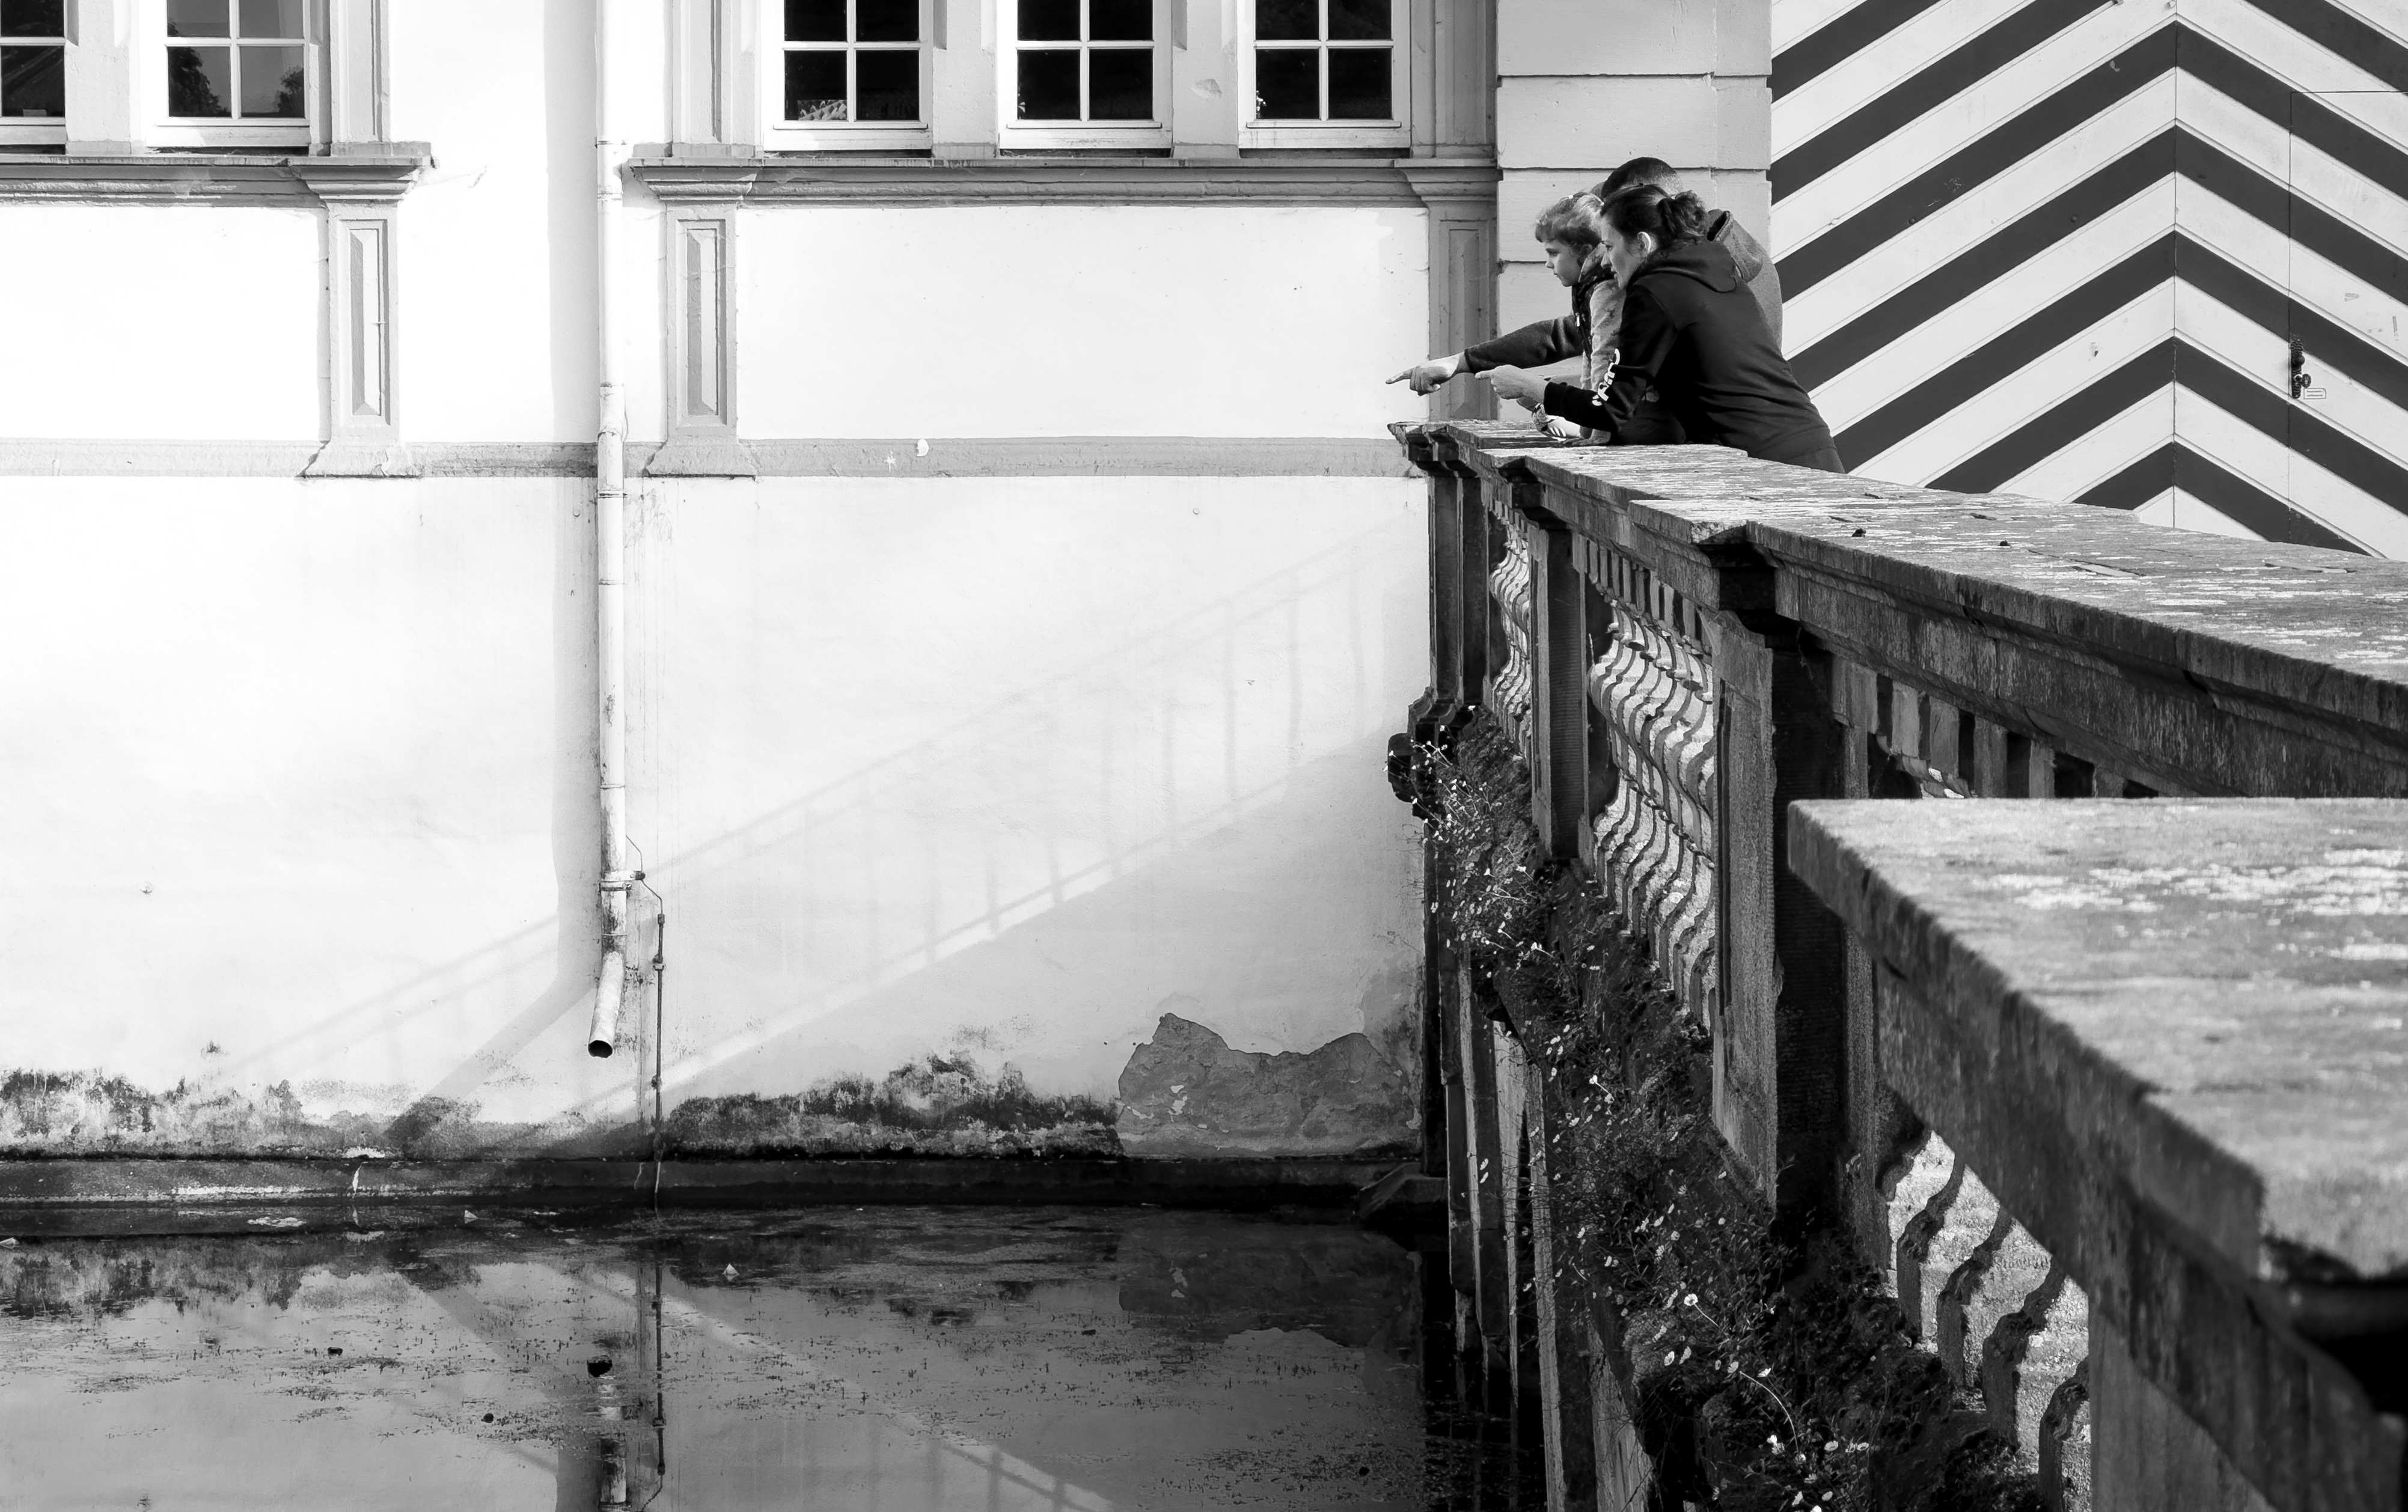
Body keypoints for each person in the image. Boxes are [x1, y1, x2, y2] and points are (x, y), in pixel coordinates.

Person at [1387, 157, 1783, 416]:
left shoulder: (1680, 280)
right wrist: (1463, 361)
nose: (1605, 257)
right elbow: (1581, 332)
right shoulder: (1706, 259)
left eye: (1611, 239)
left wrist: (1541, 393)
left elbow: (1616, 402)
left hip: (1728, 451)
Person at [1487, 184, 1842, 471]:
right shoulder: (1713, 269)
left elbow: (1611, 409)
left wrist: (1530, 386)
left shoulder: (1654, 292)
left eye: (1609, 246)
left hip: (1760, 461)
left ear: (1642, 244)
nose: (1605, 261)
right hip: (1812, 445)